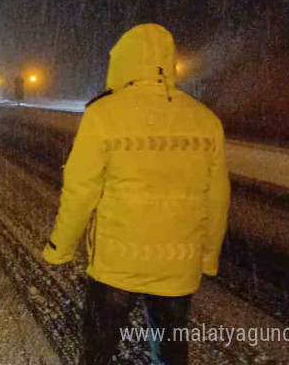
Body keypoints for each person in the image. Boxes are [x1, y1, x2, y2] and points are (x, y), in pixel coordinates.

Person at [42, 24, 230, 365]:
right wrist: (208, 256)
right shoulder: (205, 120)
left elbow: (80, 191)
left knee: (99, 349)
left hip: (117, 263)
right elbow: (216, 199)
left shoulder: (103, 114)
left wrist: (61, 247)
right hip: (179, 263)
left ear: (124, 62)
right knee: (171, 349)